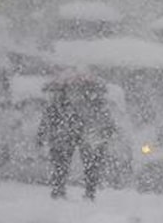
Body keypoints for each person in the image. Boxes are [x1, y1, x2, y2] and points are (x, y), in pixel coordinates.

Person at [37, 72, 117, 200]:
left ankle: (63, 190)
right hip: (81, 138)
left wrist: (43, 135)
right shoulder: (94, 105)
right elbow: (107, 122)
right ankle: (82, 191)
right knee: (82, 165)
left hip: (70, 137)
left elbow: (47, 121)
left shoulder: (60, 105)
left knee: (64, 165)